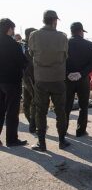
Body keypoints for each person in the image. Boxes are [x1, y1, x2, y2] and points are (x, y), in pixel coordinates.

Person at [29, 10, 70, 151]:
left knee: (41, 111)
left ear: (44, 20)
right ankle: (62, 141)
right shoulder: (63, 37)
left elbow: (31, 53)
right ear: (54, 21)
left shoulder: (33, 35)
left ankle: (42, 143)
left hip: (41, 79)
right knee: (60, 111)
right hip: (58, 79)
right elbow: (66, 56)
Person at [65, 22, 92, 137]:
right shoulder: (89, 45)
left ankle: (63, 130)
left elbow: (58, 61)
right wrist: (81, 73)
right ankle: (81, 131)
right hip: (83, 80)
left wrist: (67, 73)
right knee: (83, 106)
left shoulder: (64, 44)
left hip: (67, 80)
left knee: (66, 106)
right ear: (80, 31)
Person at [0, 18, 28, 147]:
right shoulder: (14, 45)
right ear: (9, 29)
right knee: (12, 111)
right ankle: (11, 139)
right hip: (12, 81)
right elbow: (23, 62)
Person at [22, 27, 37, 133]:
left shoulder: (22, 46)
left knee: (27, 102)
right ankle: (33, 124)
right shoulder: (25, 47)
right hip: (29, 78)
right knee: (34, 101)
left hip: (26, 77)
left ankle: (32, 123)